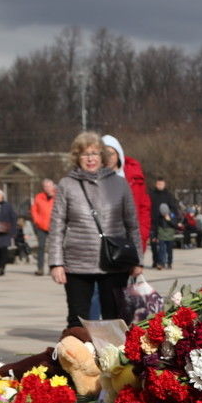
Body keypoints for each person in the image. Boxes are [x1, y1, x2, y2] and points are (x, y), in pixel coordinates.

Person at [46, 132, 143, 328]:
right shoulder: (67, 185)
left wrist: (137, 259)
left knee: (115, 318)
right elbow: (57, 226)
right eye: (84, 154)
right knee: (77, 320)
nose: (90, 159)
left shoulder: (119, 183)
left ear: (103, 156)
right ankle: (78, 357)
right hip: (78, 263)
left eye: (95, 153)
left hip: (114, 261)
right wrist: (56, 263)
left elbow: (132, 224)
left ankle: (113, 358)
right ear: (76, 157)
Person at [101, 134, 152, 255]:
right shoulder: (94, 179)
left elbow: (144, 208)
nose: (109, 158)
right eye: (105, 154)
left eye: (112, 153)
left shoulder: (134, 178)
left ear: (118, 155)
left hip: (129, 240)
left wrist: (142, 236)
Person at [30, 178, 56, 276]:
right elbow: (34, 210)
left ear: (53, 186)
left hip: (54, 226)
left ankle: (52, 268)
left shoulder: (58, 196)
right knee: (41, 247)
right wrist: (37, 220)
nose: (47, 188)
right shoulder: (39, 197)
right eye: (45, 186)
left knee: (53, 248)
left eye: (49, 186)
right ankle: (40, 268)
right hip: (41, 226)